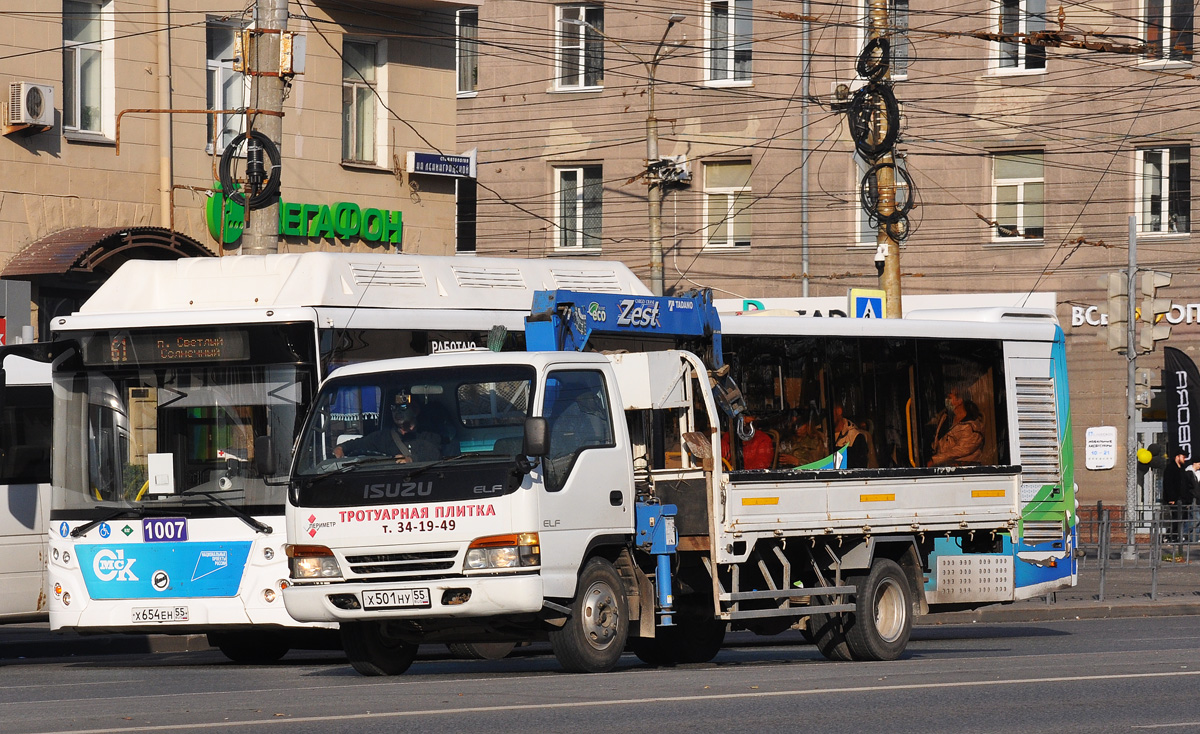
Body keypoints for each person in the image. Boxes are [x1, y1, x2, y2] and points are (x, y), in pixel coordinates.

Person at [334, 389, 441, 463]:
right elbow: (358, 444)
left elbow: (435, 453)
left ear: (415, 410)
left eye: (403, 407)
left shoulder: (430, 435)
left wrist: (411, 460)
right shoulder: (382, 437)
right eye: (394, 408)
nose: (397, 412)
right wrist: (341, 448)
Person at [929, 389, 985, 467]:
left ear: (959, 401)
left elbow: (960, 450)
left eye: (949, 397)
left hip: (963, 469)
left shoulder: (972, 427)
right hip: (943, 465)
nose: (947, 400)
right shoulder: (945, 417)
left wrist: (934, 460)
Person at [833, 403, 869, 468]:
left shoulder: (855, 437)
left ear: (839, 411)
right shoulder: (820, 436)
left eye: (830, 410)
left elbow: (860, 471)